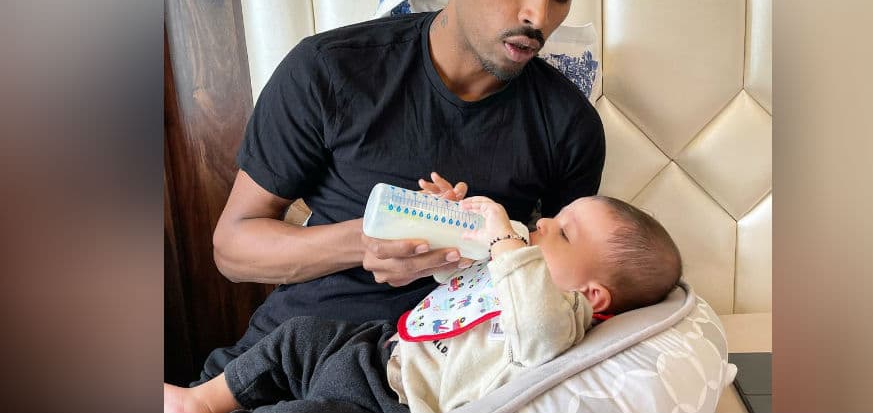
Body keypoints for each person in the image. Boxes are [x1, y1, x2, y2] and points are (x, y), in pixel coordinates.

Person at [193, 0, 606, 385]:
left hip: (433, 383)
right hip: (279, 368)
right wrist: (365, 241)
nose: (538, 15)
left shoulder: (570, 127)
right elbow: (233, 249)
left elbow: (568, 282)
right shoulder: (332, 70)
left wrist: (489, 244)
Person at [166, 195, 683, 413]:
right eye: (555, 215)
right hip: (373, 349)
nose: (543, 224)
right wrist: (447, 230)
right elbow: (456, 289)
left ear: (592, 295)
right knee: (297, 336)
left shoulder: (557, 314)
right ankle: (203, 400)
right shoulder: (517, 270)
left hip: (388, 402)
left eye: (564, 232)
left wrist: (506, 242)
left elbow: (535, 323)